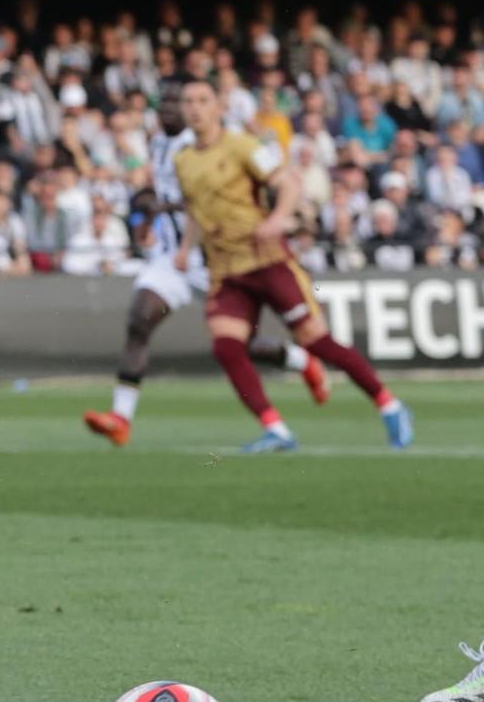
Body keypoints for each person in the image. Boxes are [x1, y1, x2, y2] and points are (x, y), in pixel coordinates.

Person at [172, 79, 412, 453]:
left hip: (268, 260)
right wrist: (186, 247)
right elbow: (193, 209)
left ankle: (389, 404)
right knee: (227, 347)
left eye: (202, 100)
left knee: (317, 341)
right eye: (188, 101)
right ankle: (277, 430)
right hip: (228, 270)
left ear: (218, 106)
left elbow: (288, 183)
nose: (195, 107)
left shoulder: (243, 146)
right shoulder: (183, 159)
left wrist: (278, 217)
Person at [83, 88, 327, 447]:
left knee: (241, 343)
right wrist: (149, 211)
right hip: (174, 257)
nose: (167, 112)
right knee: (140, 318)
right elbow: (168, 193)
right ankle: (121, 418)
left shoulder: (200, 144)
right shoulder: (159, 144)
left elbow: (200, 198)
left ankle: (300, 360)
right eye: (163, 105)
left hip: (213, 258)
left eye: (174, 105)